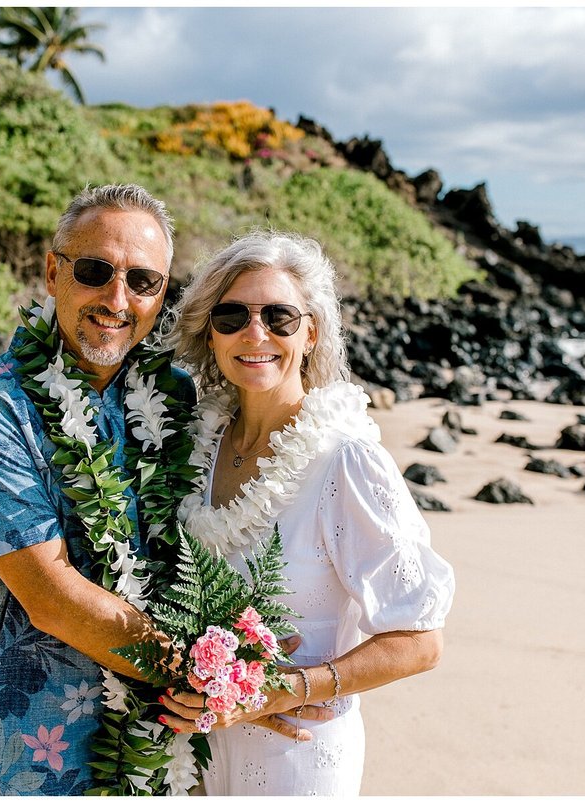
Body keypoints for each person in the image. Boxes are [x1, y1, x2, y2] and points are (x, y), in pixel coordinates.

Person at [0, 186, 316, 796]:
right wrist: (223, 683)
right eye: (95, 271)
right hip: (41, 753)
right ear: (54, 272)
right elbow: (53, 599)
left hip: (171, 748)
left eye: (142, 281)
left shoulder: (177, 398)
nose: (117, 299)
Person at [161, 230, 456, 796]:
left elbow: (421, 640)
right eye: (232, 316)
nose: (255, 334)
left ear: (312, 330)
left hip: (297, 761)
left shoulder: (347, 464)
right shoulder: (198, 446)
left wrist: (287, 689)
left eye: (279, 316)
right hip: (196, 757)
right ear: (210, 332)